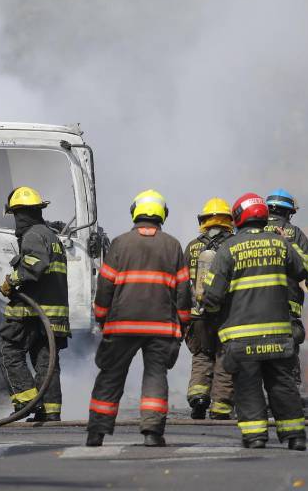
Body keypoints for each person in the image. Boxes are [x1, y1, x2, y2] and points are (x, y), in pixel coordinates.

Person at [202, 193, 308, 450]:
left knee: (247, 386)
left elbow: (213, 296)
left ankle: (255, 436)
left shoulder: (228, 248)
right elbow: (304, 269)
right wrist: (287, 244)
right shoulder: (280, 244)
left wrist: (210, 311)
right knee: (282, 384)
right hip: (279, 334)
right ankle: (295, 436)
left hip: (242, 337)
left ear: (239, 218)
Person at [86, 190, 190, 448]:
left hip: (122, 325)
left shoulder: (120, 244)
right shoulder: (173, 245)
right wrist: (183, 323)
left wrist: (101, 316)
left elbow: (105, 286)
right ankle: (152, 433)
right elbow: (183, 291)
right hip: (161, 328)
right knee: (155, 376)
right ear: (162, 214)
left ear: (136, 212)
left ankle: (96, 433)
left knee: (110, 375)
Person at [0, 186, 69, 422]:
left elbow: (35, 265)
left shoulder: (33, 235)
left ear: (20, 214)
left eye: (16, 215)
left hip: (32, 313)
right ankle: (50, 411)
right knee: (46, 364)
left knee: (9, 351)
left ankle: (26, 402)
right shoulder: (51, 236)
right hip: (53, 317)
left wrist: (12, 280)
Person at [264, 189, 308, 385]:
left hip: (250, 305)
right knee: (288, 349)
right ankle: (288, 396)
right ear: (288, 213)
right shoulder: (294, 233)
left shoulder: (251, 232)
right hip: (286, 304)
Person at [184, 198, 235, 420]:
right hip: (227, 315)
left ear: (204, 221)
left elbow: (183, 281)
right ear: (229, 220)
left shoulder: (193, 247)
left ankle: (198, 397)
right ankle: (221, 406)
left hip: (198, 315)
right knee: (223, 357)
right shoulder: (235, 244)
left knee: (202, 356)